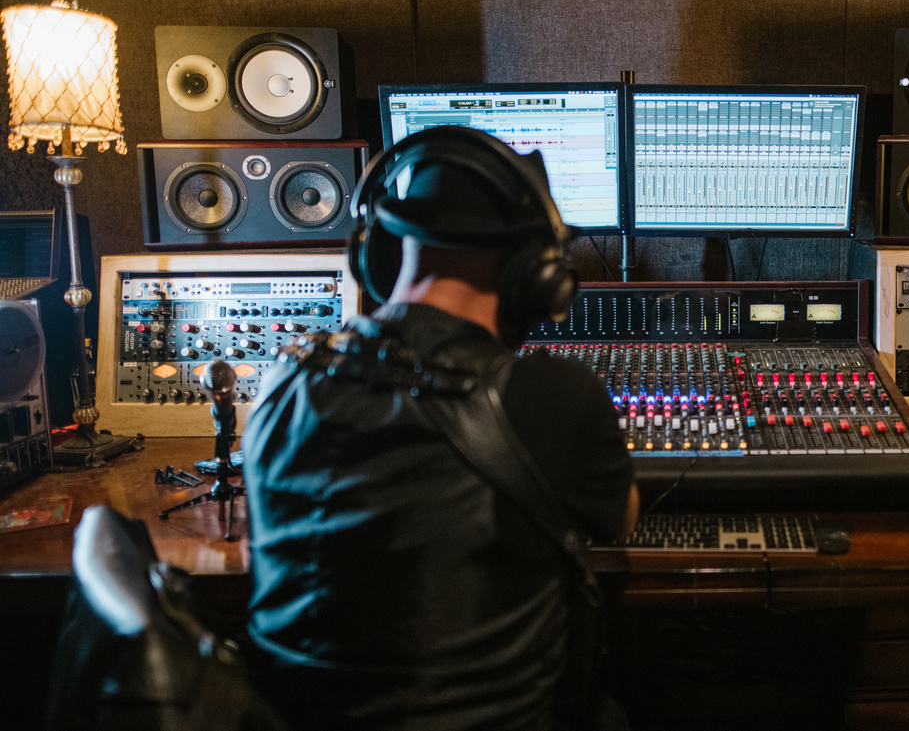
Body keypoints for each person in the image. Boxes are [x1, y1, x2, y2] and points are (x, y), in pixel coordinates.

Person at [242, 125, 639, 730]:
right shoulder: (552, 395)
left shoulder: (283, 380)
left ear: (376, 252)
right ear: (535, 278)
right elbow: (621, 519)